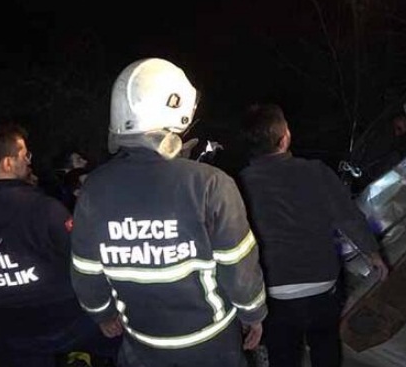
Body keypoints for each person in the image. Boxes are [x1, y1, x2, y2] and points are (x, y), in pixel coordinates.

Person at [69, 58, 267, 367]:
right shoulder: (211, 184)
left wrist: (102, 313)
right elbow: (239, 269)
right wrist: (253, 314)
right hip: (211, 345)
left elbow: (86, 272)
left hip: (141, 344)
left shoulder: (94, 188)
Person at [0, 123, 118, 367]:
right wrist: (105, 315)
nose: (29, 161)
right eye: (24, 155)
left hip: (7, 332)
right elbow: (85, 262)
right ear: (7, 163)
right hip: (67, 323)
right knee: (127, 340)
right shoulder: (43, 209)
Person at [237, 103, 388, 367]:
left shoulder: (238, 184)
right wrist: (374, 255)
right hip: (322, 285)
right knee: (326, 344)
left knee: (282, 355)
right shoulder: (315, 171)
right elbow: (348, 217)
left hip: (274, 293)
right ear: (284, 138)